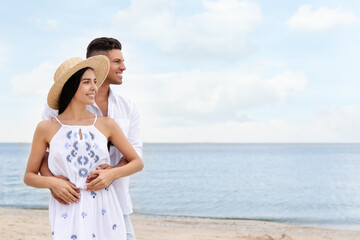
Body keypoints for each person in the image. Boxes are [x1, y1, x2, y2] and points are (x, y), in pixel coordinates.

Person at [24, 56, 144, 239]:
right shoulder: (46, 128)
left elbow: (137, 162)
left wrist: (112, 173)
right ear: (70, 87)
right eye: (86, 82)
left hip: (105, 207)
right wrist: (53, 182)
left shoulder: (107, 125)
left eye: (94, 82)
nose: (94, 88)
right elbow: (29, 176)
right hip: (66, 207)